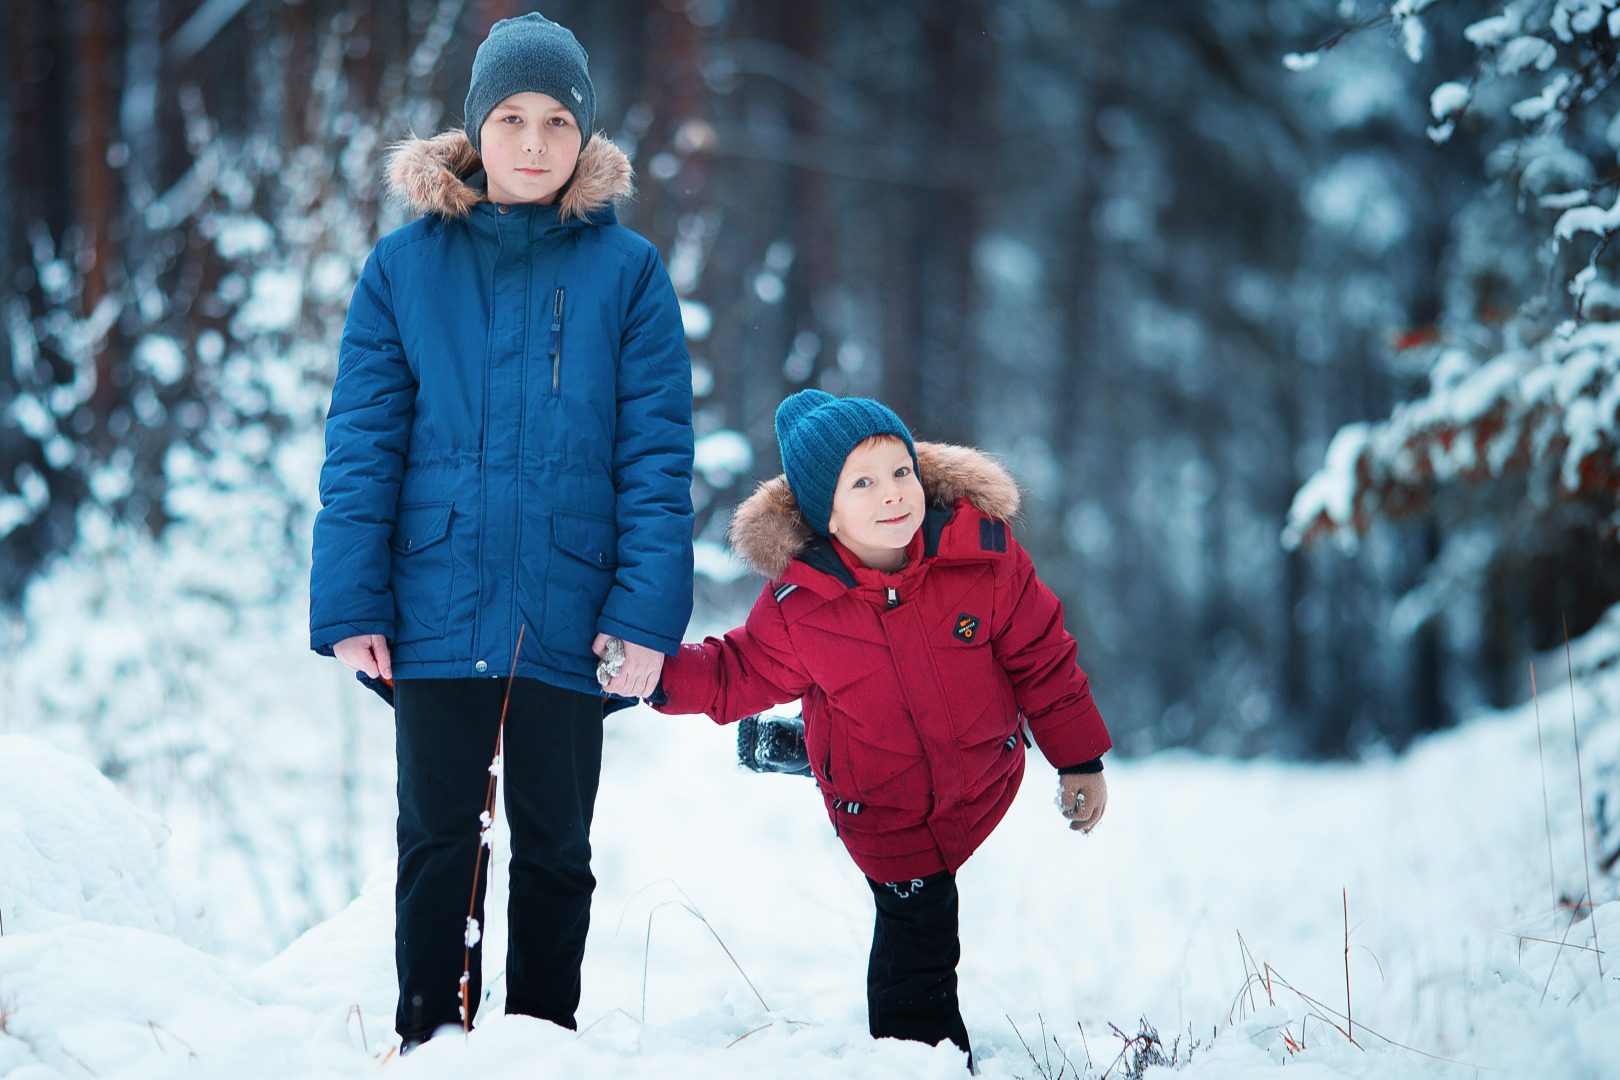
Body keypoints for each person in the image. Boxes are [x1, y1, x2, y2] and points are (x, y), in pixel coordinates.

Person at [308, 12, 694, 1050]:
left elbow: (657, 463)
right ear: (475, 128)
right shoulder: (405, 268)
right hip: (434, 601)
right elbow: (362, 447)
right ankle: (432, 1043)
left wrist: (646, 620)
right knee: (438, 841)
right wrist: (351, 604)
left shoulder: (630, 276)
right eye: (512, 117)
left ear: (586, 137)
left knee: (557, 847)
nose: (533, 141)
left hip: (574, 610)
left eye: (557, 119)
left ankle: (540, 1046)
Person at [648, 390, 1111, 1064]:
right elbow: (733, 672)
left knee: (917, 891)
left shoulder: (981, 559)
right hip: (885, 806)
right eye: (862, 483)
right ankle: (919, 1060)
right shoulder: (799, 610)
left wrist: (1081, 761)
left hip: (980, 771)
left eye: (900, 472)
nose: (892, 494)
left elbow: (1042, 659)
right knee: (918, 941)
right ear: (826, 514)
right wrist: (653, 676)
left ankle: (812, 740)